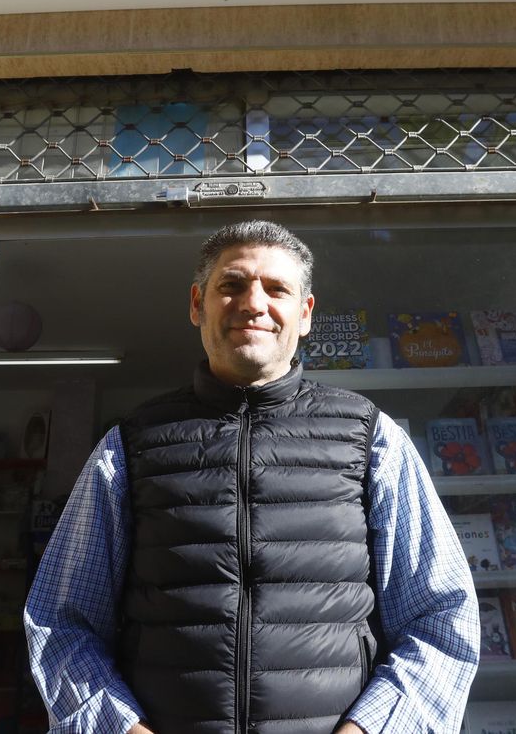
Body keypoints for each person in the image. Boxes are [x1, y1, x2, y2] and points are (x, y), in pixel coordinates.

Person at [24, 220, 478, 734]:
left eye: (277, 288)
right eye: (232, 285)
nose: (253, 304)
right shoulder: (128, 446)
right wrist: (118, 729)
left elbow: (441, 616)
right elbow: (61, 621)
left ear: (305, 314)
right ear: (198, 304)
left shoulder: (372, 438)